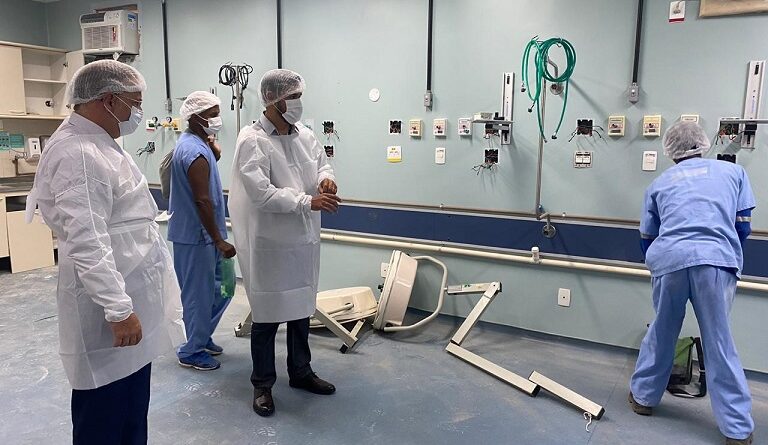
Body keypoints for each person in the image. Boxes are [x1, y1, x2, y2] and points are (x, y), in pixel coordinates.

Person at [25, 60, 185, 445]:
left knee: (130, 413)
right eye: (135, 103)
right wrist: (118, 309)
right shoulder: (77, 153)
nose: (138, 113)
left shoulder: (100, 143)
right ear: (109, 100)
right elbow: (87, 240)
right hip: (108, 316)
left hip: (130, 301)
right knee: (104, 418)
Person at [628, 121, 755, 445]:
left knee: (662, 331)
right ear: (703, 144)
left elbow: (647, 238)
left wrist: (662, 261)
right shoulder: (733, 173)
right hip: (715, 263)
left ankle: (643, 398)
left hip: (669, 261)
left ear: (670, 151)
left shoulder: (659, 183)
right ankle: (737, 429)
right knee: (719, 341)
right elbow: (742, 227)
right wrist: (720, 250)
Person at [229, 69, 341, 417]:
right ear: (273, 100)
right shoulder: (252, 140)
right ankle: (262, 384)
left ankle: (301, 372)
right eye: (293, 97)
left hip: (303, 239)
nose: (298, 103)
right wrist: (307, 202)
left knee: (301, 308)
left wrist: (326, 181)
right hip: (270, 243)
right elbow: (261, 194)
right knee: (267, 314)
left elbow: (323, 165)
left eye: (298, 96)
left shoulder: (305, 135)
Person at [168, 91, 236, 371]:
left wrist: (215, 150)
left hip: (205, 235)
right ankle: (191, 350)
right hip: (197, 236)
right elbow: (202, 200)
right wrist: (218, 239)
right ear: (196, 117)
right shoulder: (193, 151)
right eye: (212, 114)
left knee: (222, 289)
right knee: (198, 295)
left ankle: (202, 335)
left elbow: (208, 171)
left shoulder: (199, 144)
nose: (217, 119)